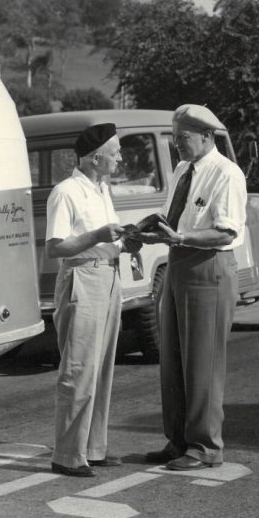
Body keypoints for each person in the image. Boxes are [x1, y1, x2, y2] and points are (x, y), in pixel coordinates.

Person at [144, 104, 247, 471]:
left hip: (208, 267)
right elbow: (173, 218)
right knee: (172, 358)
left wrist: (183, 236)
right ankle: (179, 440)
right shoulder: (182, 170)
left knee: (203, 360)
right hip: (178, 263)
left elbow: (226, 230)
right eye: (174, 137)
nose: (177, 145)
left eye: (182, 138)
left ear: (206, 136)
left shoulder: (226, 174)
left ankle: (205, 446)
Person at [44, 122, 141, 477]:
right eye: (114, 152)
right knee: (79, 368)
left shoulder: (102, 190)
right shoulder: (66, 192)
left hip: (109, 275)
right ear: (95, 157)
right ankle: (67, 455)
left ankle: (93, 448)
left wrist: (124, 243)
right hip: (83, 277)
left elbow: (104, 238)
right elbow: (55, 248)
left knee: (101, 367)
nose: (119, 157)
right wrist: (97, 235)